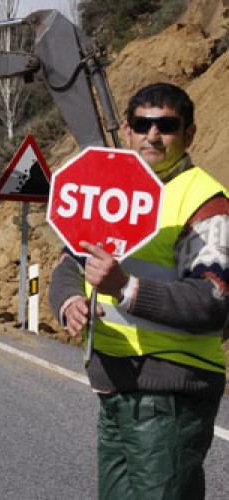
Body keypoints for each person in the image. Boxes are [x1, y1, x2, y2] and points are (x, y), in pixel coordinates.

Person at [48, 82, 228, 499]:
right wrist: (69, 302)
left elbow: (212, 301)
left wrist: (125, 287)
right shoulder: (110, 188)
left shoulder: (203, 200)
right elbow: (68, 266)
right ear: (126, 131)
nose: (152, 135)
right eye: (142, 124)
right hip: (115, 388)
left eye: (166, 125)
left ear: (190, 134)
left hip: (170, 395)